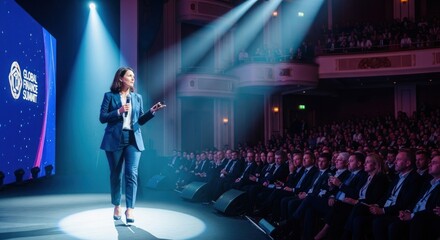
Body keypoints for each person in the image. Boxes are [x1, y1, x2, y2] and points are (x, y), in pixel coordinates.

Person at [99, 66, 165, 223]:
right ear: (121, 78)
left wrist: (152, 112)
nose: (133, 78)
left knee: (132, 173)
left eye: (133, 76)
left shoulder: (137, 97)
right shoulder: (109, 96)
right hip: (115, 139)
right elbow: (102, 117)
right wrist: (119, 111)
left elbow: (140, 120)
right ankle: (117, 205)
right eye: (129, 75)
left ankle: (130, 209)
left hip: (133, 139)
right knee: (116, 175)